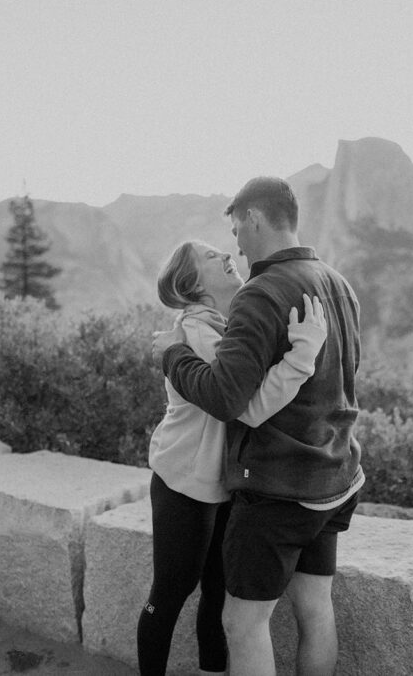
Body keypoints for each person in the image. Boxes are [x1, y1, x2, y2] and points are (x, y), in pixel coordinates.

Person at [152, 177, 364, 676]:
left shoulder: (260, 293)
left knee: (243, 623)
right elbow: (345, 377)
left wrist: (172, 355)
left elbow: (228, 400)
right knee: (315, 608)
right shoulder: (338, 282)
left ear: (253, 218)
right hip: (336, 476)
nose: (236, 246)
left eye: (236, 231)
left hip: (280, 489)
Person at [139, 238, 328, 676]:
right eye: (211, 257)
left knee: (218, 590)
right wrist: (303, 355)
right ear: (191, 284)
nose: (227, 256)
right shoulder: (193, 332)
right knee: (170, 592)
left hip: (227, 483)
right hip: (184, 483)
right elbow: (249, 404)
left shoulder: (226, 328)